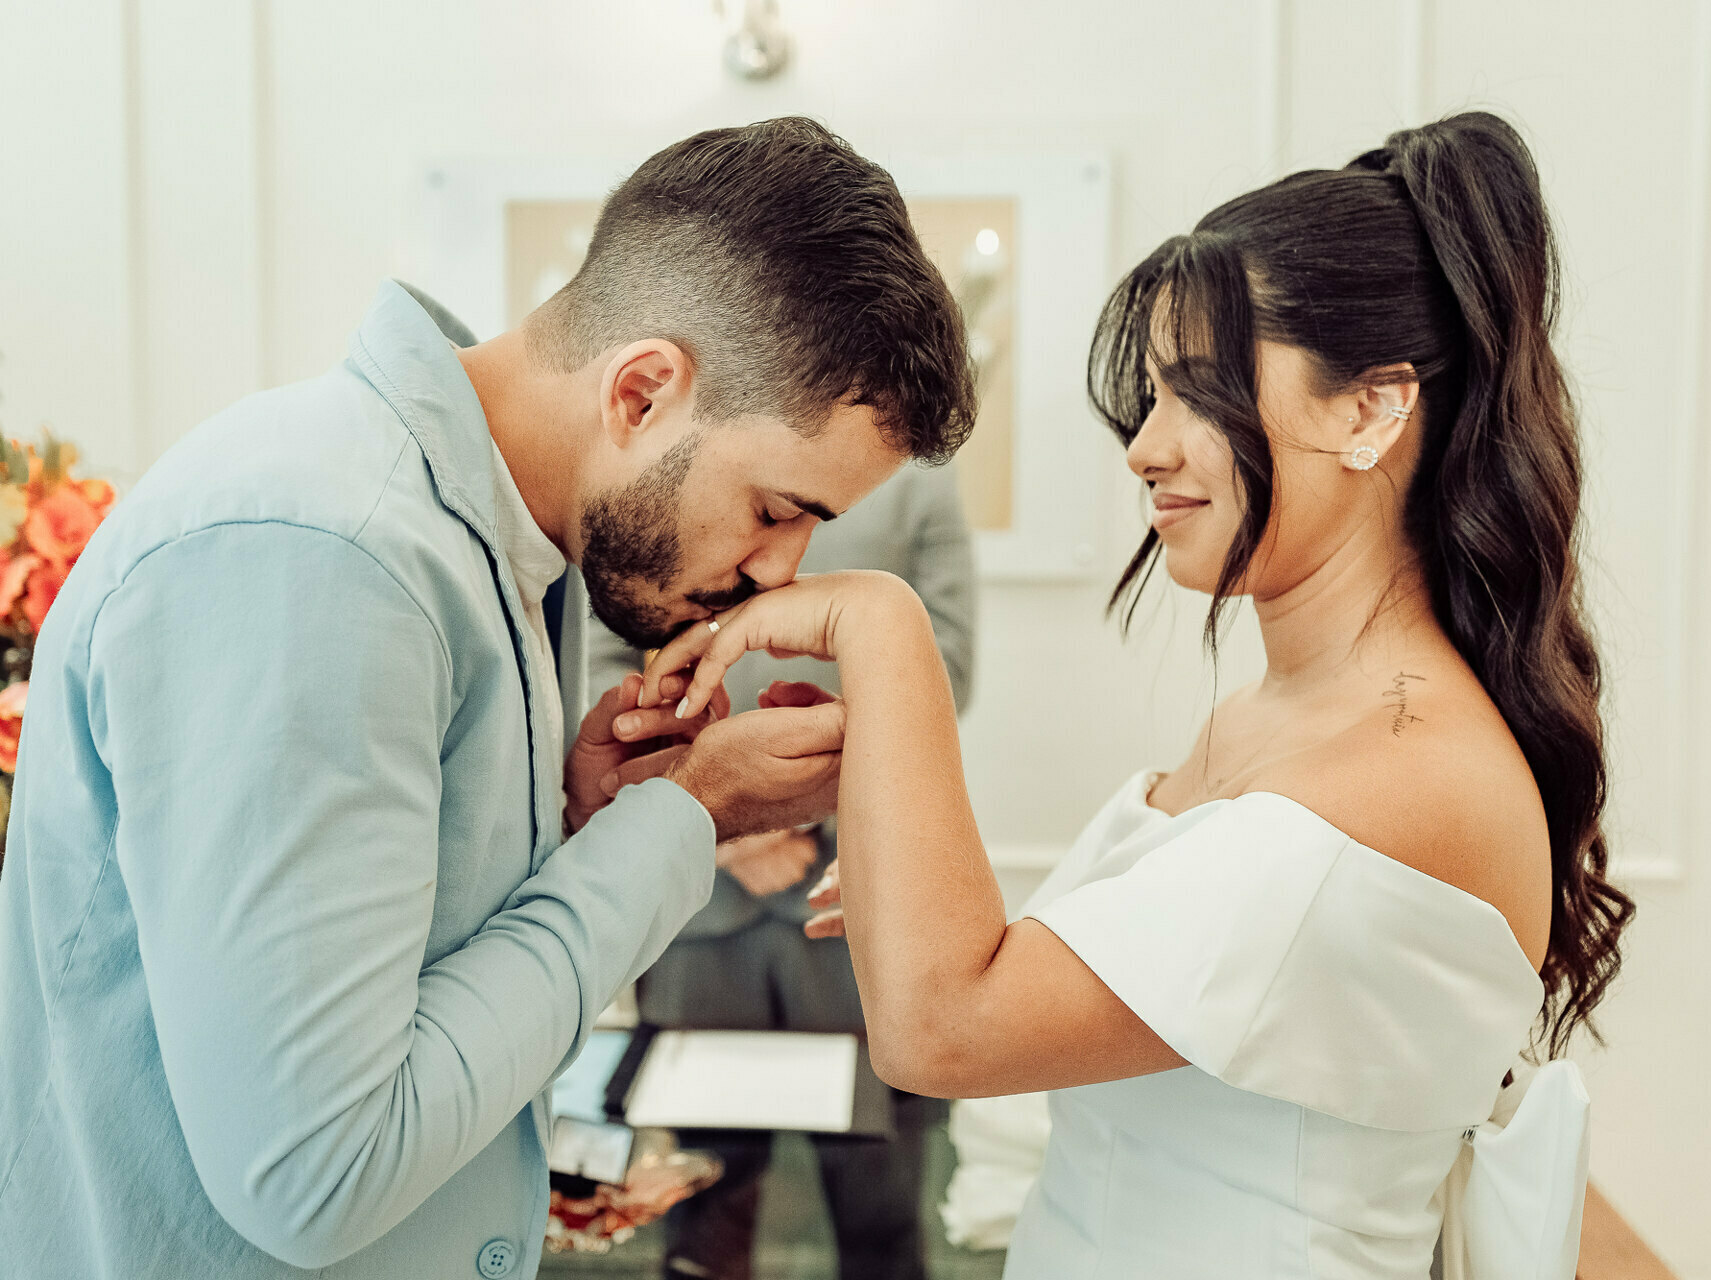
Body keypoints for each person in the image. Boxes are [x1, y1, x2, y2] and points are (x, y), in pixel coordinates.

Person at [0, 118, 975, 1280]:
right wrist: (687, 818)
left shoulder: (493, 555)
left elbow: (389, 987)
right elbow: (317, 1170)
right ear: (644, 391)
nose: (782, 573)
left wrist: (577, 826)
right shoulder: (324, 554)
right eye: (775, 507)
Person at [637, 113, 1635, 1279]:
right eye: (1152, 396)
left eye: (1197, 393)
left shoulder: (1407, 771)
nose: (1145, 447)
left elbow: (938, 1028)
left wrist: (878, 620)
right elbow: (1198, 1013)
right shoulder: (1276, 721)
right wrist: (940, 909)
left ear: (1371, 408)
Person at [588, 460, 975, 1280]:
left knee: (881, 1218)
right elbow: (599, 656)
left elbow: (945, 668)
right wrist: (716, 814)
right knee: (700, 1217)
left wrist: (798, 799)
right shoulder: (665, 468)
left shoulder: (921, 483)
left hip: (856, 899)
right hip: (695, 910)